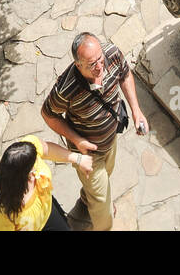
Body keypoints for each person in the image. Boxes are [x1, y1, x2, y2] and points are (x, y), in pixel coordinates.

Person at [41, 33, 147, 232]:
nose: (100, 67)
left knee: (106, 175)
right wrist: (77, 140)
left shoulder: (112, 54)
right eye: (92, 64)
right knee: (102, 206)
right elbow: (47, 114)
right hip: (87, 154)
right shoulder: (66, 89)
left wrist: (136, 110)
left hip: (110, 138)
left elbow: (124, 73)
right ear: (78, 65)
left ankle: (87, 197)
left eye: (100, 59)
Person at [0, 135, 93, 232]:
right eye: (32, 168)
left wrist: (78, 159)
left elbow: (46, 149)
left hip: (49, 211)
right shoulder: (5, 208)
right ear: (22, 174)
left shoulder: (28, 150)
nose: (35, 168)